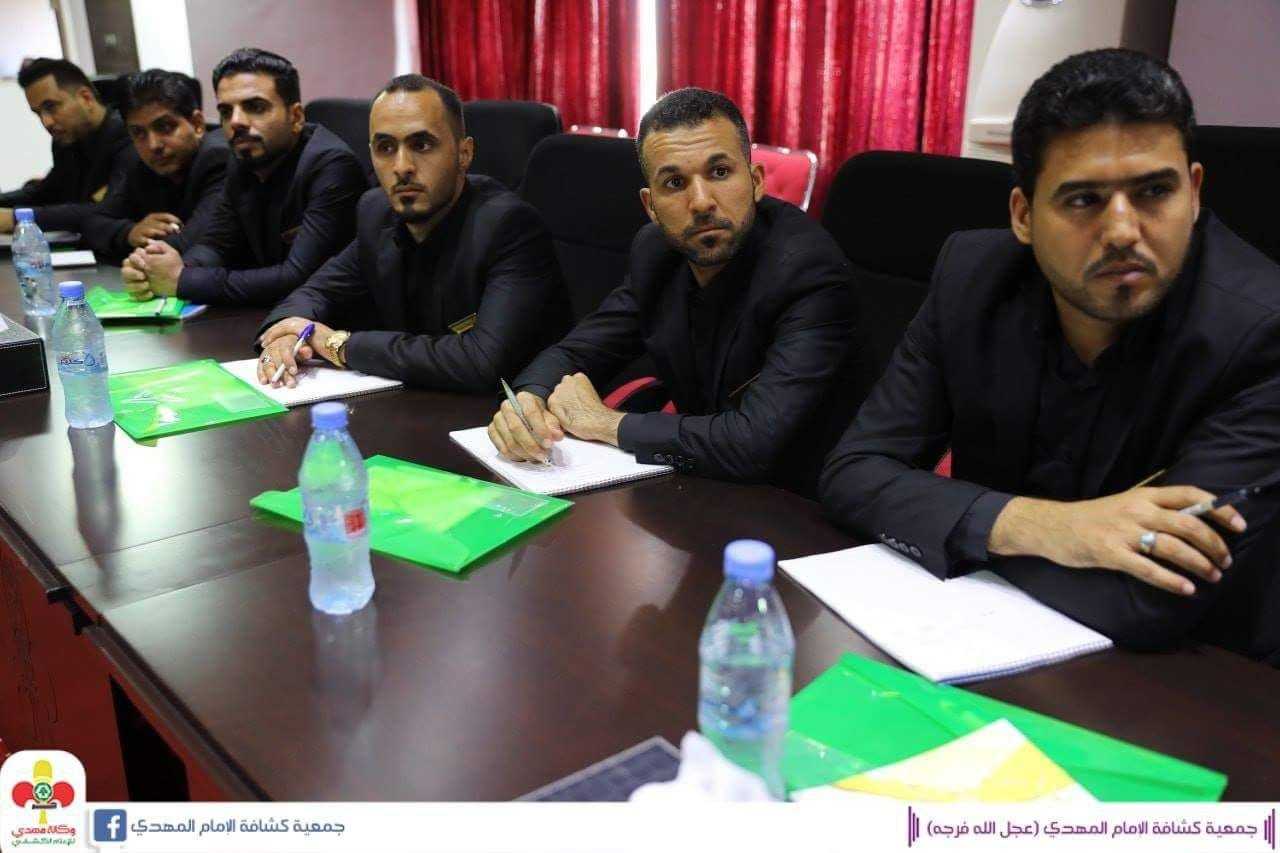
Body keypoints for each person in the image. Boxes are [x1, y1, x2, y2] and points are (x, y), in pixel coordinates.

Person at [820, 49, 1280, 660]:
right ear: (1024, 215)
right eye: (1084, 200)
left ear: (1193, 193)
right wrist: (1043, 527)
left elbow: (1152, 598)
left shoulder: (1262, 333)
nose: (1123, 230)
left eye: (1154, 191)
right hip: (976, 640)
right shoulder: (971, 278)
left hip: (1197, 677)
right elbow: (853, 473)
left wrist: (956, 525)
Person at [486, 88, 857, 497]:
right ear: (651, 205)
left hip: (801, 499)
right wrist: (527, 403)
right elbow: (577, 352)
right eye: (675, 183)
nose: (701, 202)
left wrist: (607, 423)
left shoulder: (808, 271)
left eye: (720, 173)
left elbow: (754, 444)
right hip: (698, 485)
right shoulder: (656, 253)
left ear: (755, 182)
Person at [254, 75, 568, 390]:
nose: (401, 166)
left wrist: (339, 345)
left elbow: (483, 360)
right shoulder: (376, 212)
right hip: (416, 400)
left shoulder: (509, 225)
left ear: (464, 153)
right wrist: (285, 333)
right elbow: (316, 292)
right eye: (385, 147)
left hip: (511, 409)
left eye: (421, 145)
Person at [122, 48, 366, 306]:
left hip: (336, 321)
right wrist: (159, 268)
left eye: (255, 107)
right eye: (226, 111)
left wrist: (182, 280)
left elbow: (299, 277)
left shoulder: (332, 166)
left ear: (295, 117)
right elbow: (216, 244)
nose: (236, 122)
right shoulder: (244, 157)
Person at [80, 69, 229, 264]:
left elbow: (190, 244)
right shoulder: (137, 162)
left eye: (165, 127)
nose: (153, 145)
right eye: (138, 133)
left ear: (197, 124)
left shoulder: (218, 158)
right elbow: (92, 223)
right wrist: (129, 232)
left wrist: (138, 245)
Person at [0, 58, 136, 233]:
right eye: (38, 113)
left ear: (86, 98)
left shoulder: (130, 135)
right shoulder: (66, 141)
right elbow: (48, 192)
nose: (46, 122)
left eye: (51, 107)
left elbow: (109, 210)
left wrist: (17, 218)